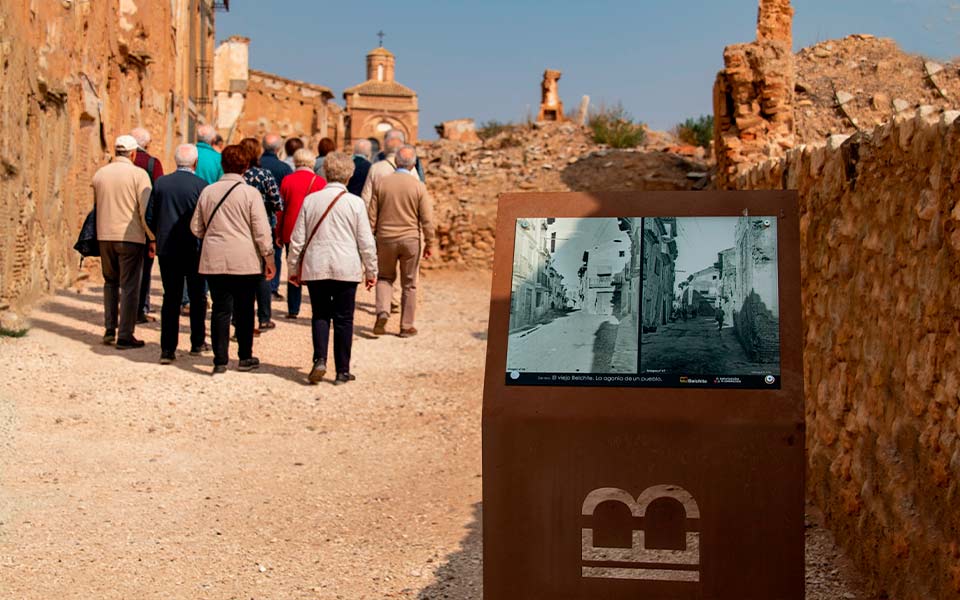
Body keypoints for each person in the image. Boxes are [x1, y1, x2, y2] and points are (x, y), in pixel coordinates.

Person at [287, 152, 377, 385]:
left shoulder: (311, 201)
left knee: (320, 314)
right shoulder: (356, 203)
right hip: (346, 267)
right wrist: (371, 270)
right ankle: (342, 371)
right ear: (349, 175)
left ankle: (319, 359)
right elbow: (366, 241)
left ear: (325, 172)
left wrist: (293, 268)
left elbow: (297, 239)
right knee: (344, 319)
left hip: (316, 265)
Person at [190, 145, 276, 374]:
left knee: (220, 308)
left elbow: (196, 228)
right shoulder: (250, 194)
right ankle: (245, 356)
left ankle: (220, 360)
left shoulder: (208, 191)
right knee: (245, 308)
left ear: (223, 165)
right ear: (245, 167)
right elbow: (261, 230)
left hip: (214, 258)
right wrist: (269, 258)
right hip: (244, 260)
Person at [146, 144, 209, 364]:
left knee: (170, 297)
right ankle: (197, 341)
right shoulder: (202, 185)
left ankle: (167, 349)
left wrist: (157, 236)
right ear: (195, 163)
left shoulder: (161, 183)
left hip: (168, 249)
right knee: (198, 296)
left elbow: (149, 216)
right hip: (194, 249)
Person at [93, 135, 155, 349]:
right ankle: (125, 334)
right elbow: (145, 210)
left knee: (110, 282)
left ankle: (110, 329)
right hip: (130, 237)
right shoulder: (139, 175)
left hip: (104, 235)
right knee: (129, 286)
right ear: (133, 154)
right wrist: (152, 237)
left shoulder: (100, 174)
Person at [368, 145, 435, 337]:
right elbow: (427, 219)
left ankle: (382, 311)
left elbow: (372, 215)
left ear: (396, 162)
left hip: (385, 238)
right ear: (413, 163)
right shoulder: (418, 186)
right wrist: (430, 242)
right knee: (409, 283)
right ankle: (406, 326)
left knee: (384, 277)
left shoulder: (382, 183)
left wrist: (370, 238)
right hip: (410, 239)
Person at [238, 137, 282, 333]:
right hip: (263, 226)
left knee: (240, 273)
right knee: (263, 273)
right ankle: (264, 318)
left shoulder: (238, 174)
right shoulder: (264, 175)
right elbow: (278, 203)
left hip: (239, 227)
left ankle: (239, 320)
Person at [278, 149, 326, 318]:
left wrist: (278, 232)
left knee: (293, 266)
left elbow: (281, 210)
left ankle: (293, 308)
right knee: (314, 268)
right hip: (313, 230)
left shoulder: (287, 180)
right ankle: (318, 307)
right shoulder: (320, 182)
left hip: (290, 228)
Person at [130, 127, 164, 324]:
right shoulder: (152, 164)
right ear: (147, 145)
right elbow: (157, 195)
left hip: (121, 223)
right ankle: (140, 309)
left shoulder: (118, 164)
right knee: (144, 268)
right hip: (145, 225)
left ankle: (124, 309)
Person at [260, 133, 293, 297]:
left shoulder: (255, 165)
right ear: (279, 148)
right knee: (276, 253)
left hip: (254, 215)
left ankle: (257, 285)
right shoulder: (284, 168)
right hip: (275, 216)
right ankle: (272, 287)